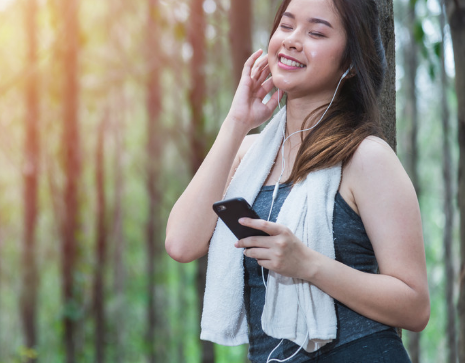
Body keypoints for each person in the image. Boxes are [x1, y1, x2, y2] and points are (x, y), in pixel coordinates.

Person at [165, 0, 430, 362]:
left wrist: (308, 264)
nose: (292, 40)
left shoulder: (365, 156)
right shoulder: (247, 155)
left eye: (316, 32)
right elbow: (181, 243)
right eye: (286, 26)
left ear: (350, 62)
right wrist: (237, 120)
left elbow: (415, 306)